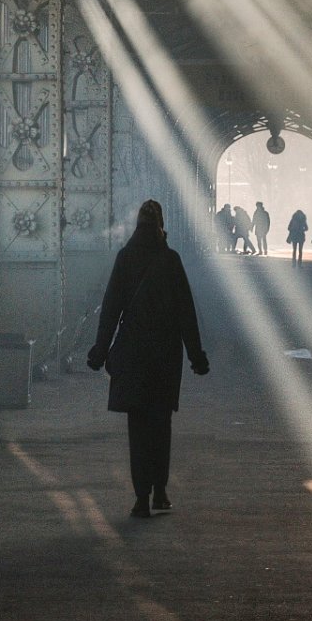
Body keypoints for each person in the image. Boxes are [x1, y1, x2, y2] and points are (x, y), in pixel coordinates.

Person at [86, 200, 208, 519]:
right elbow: (186, 315)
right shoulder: (170, 260)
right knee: (160, 425)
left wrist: (100, 351)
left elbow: (110, 310)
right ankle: (161, 492)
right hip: (164, 356)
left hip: (132, 355)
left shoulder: (125, 259)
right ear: (160, 226)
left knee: (137, 427)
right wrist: (197, 357)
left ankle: (141, 497)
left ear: (136, 225)